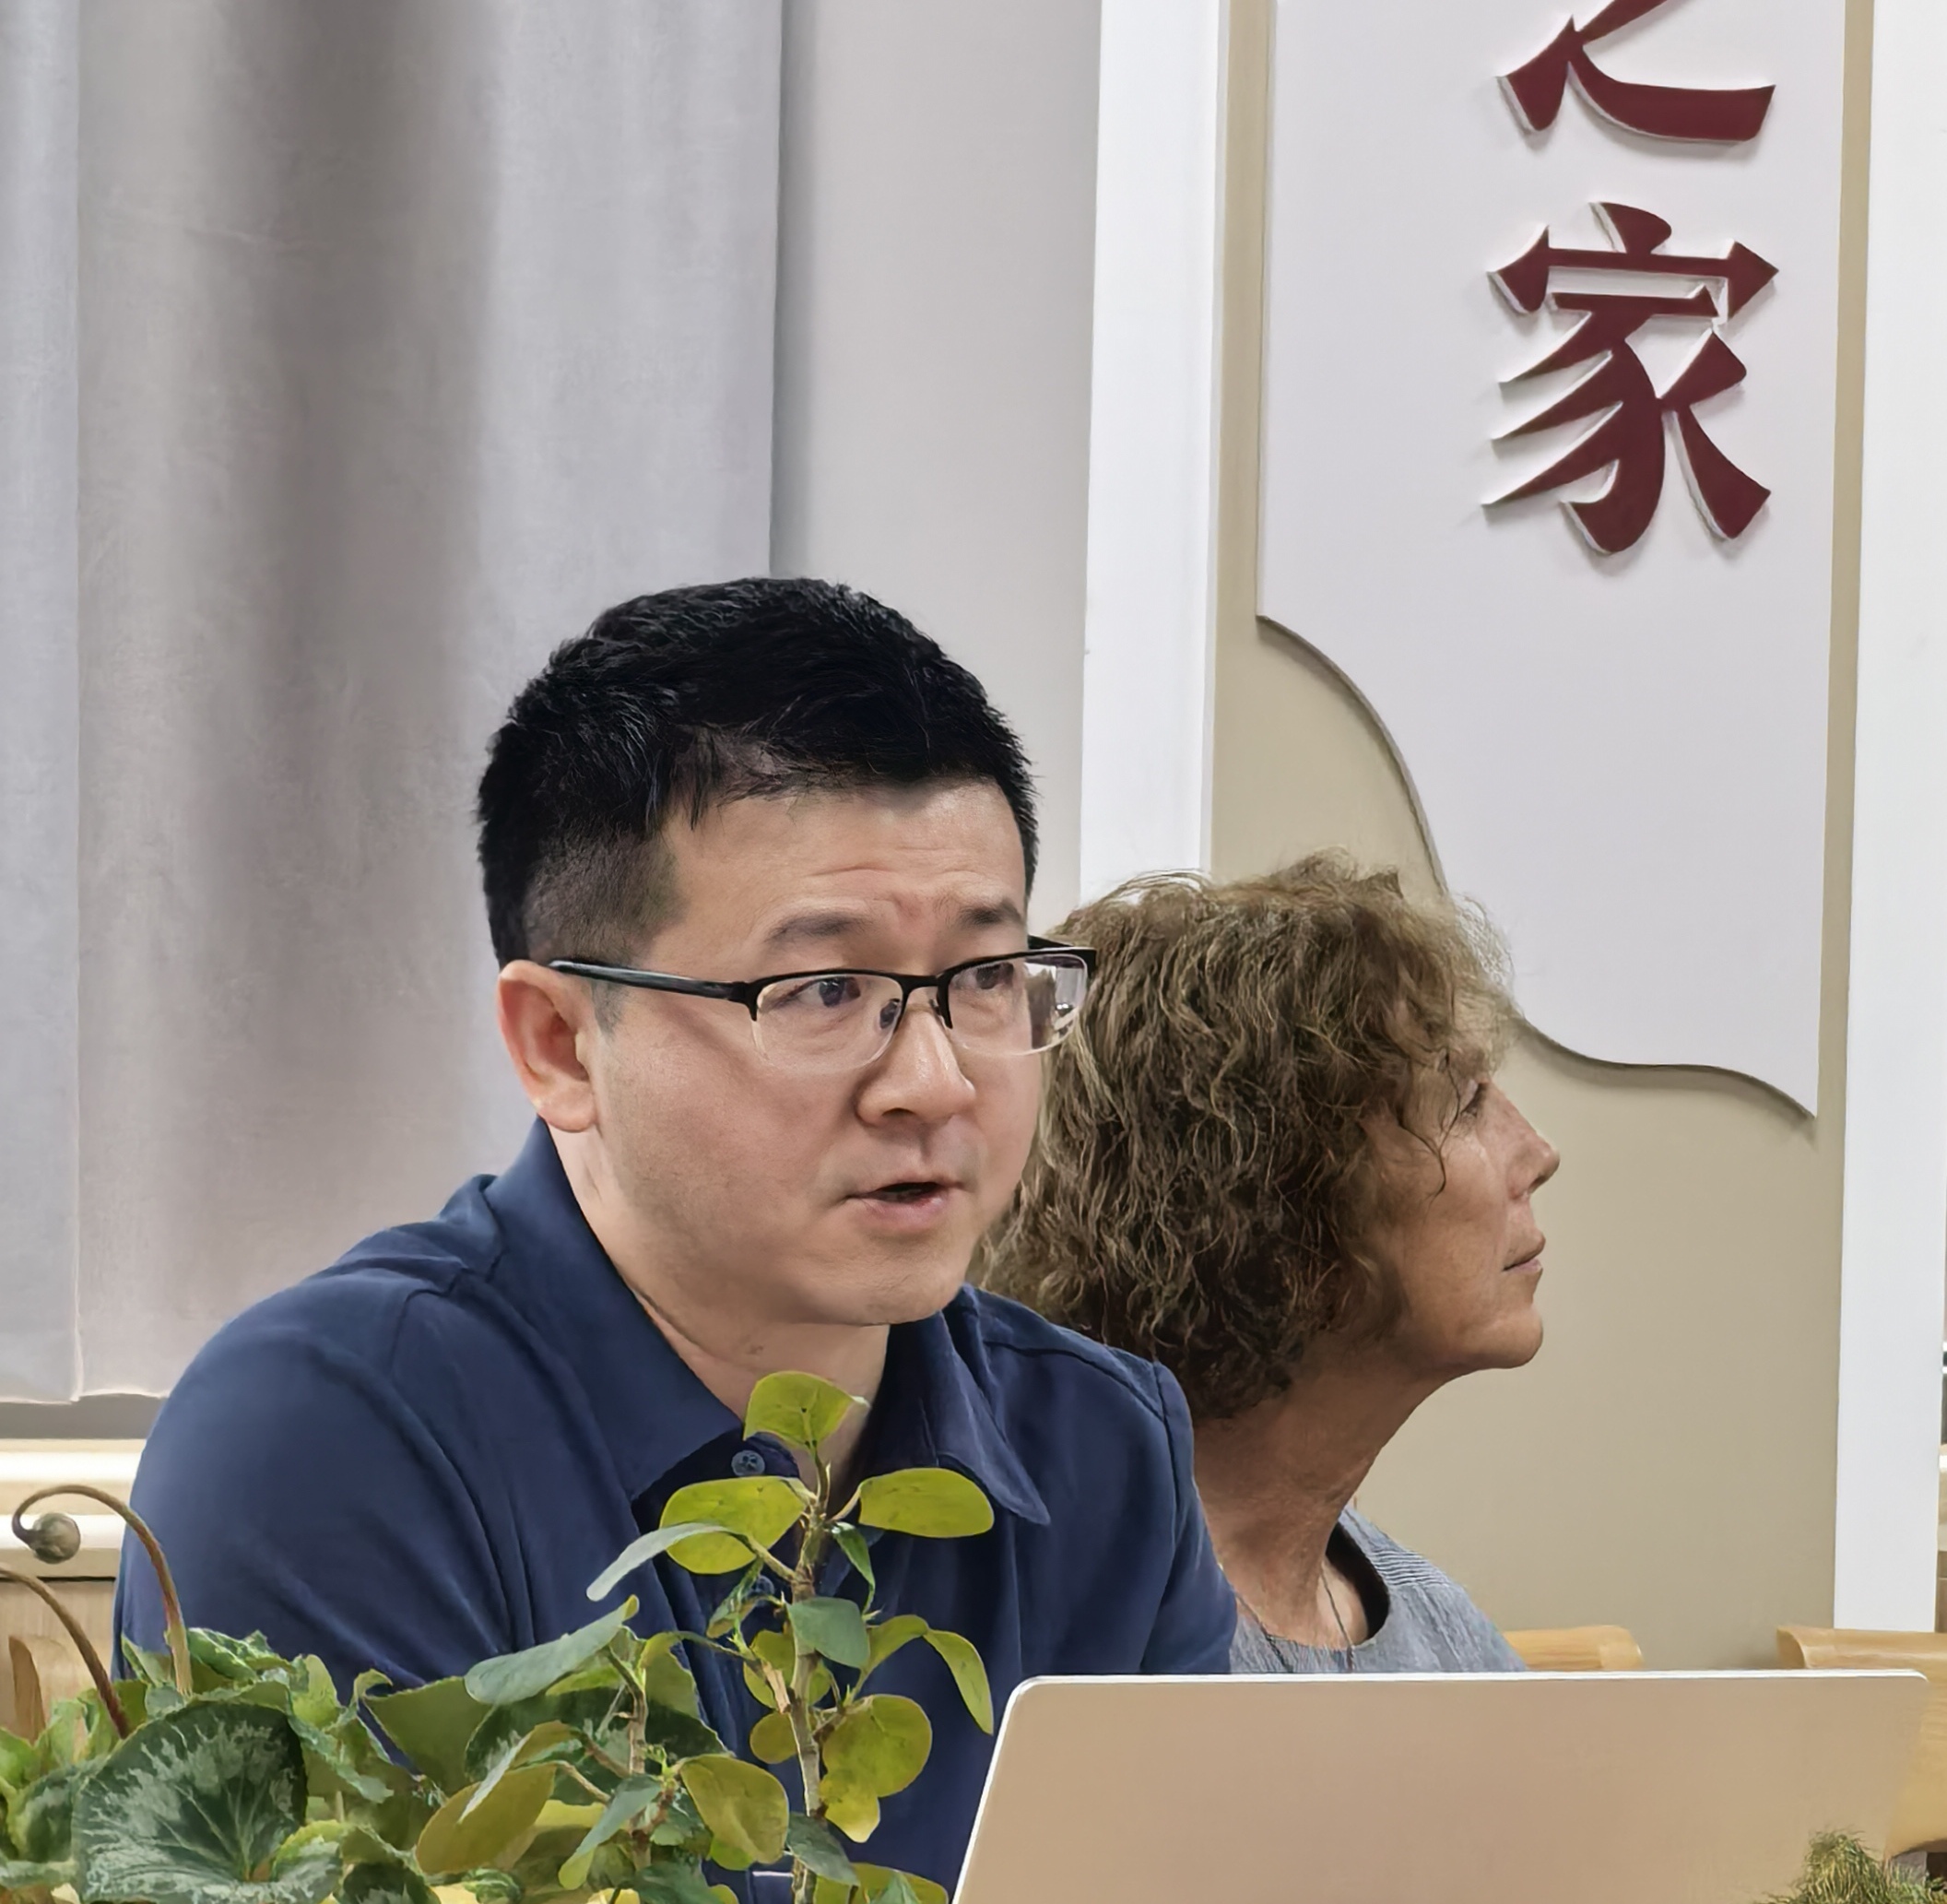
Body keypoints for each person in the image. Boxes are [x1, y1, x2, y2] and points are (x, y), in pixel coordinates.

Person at [117, 578, 1234, 1892]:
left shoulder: (1106, 1447)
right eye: (826, 987)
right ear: (559, 1043)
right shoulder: (327, 1438)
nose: (935, 1081)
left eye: (984, 977)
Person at [985, 854, 1559, 1674]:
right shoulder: (1051, 1643)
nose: (1538, 1152)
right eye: (1465, 1103)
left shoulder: (1443, 1634)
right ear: (1275, 1200)